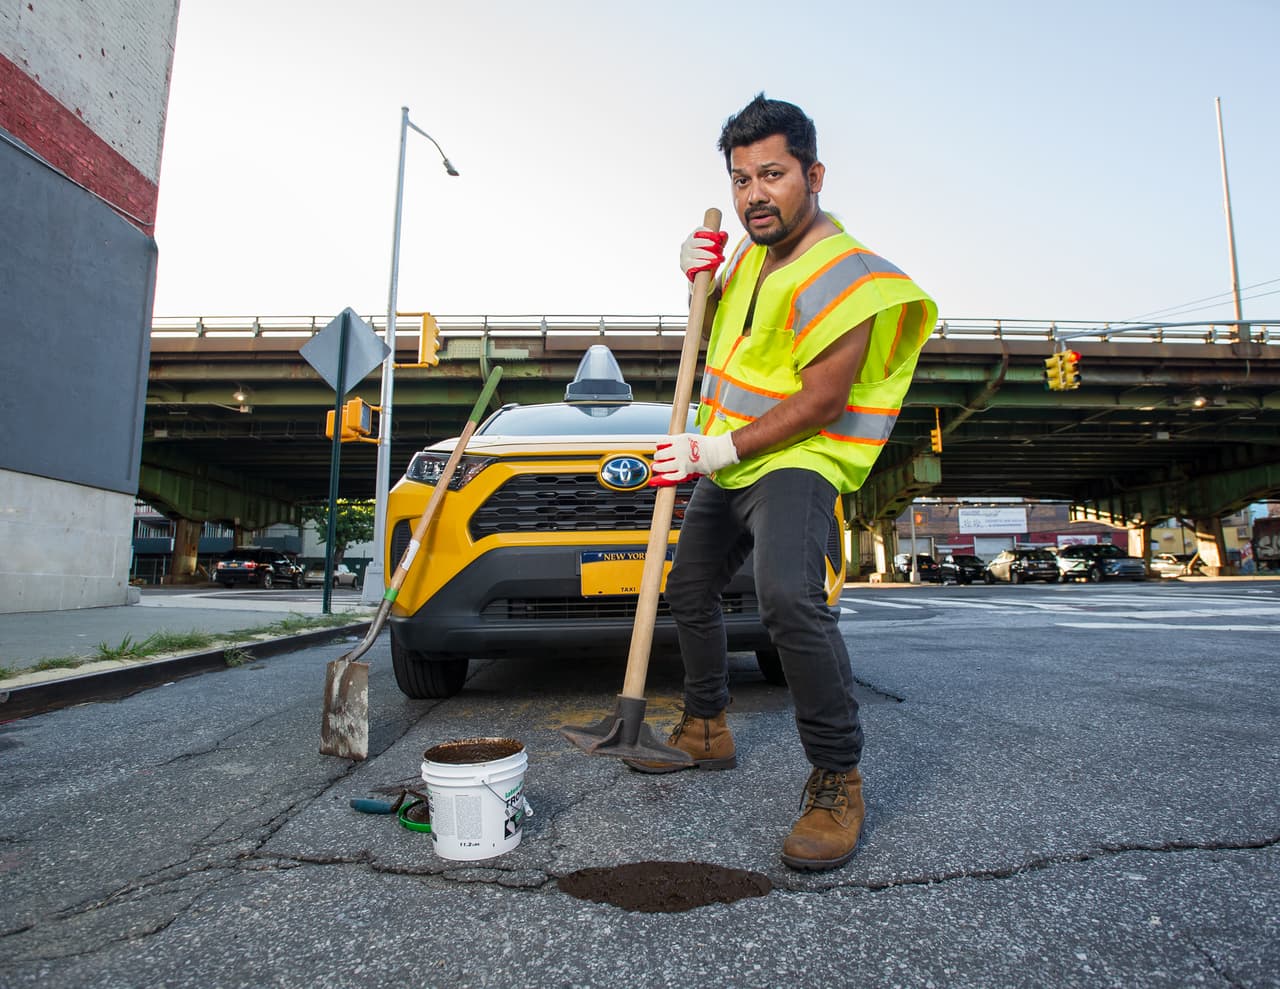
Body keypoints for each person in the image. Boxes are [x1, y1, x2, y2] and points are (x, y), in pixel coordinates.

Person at [629, 94, 937, 872]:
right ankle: (707, 726)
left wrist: (712, 452)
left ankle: (838, 777)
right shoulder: (748, 256)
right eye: (740, 179)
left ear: (813, 173)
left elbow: (823, 398)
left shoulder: (848, 272)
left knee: (791, 599)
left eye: (772, 174)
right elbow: (722, 335)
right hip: (730, 456)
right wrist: (694, 280)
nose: (753, 195)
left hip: (799, 456)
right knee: (688, 586)